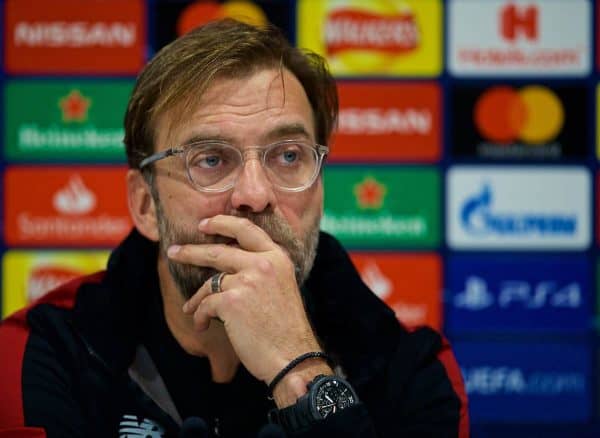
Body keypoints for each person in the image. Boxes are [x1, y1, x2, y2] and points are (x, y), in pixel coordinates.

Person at [0, 19, 468, 438]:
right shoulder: (42, 353)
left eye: (288, 156)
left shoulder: (411, 369)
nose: (254, 194)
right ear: (145, 205)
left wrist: (299, 370)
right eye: (211, 159)